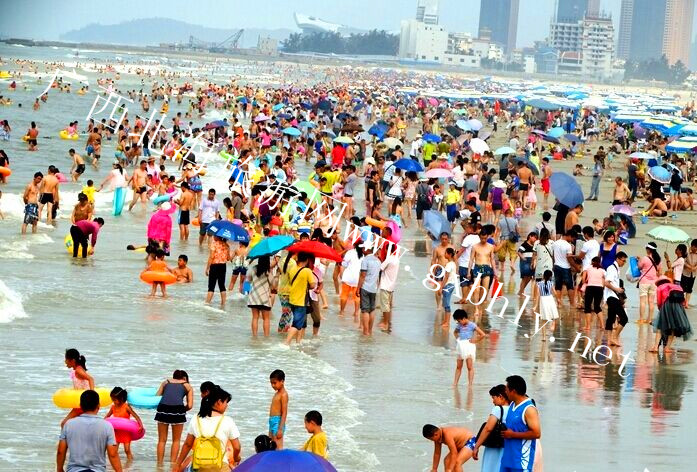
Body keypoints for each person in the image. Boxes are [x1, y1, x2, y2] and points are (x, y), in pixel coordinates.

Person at [173, 384, 242, 471]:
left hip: (199, 466)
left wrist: (178, 464)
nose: (226, 406)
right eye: (226, 402)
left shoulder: (196, 418)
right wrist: (236, 457)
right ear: (219, 402)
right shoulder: (227, 421)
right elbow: (237, 447)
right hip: (220, 466)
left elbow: (187, 444)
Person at [57, 390, 123, 472]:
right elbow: (113, 454)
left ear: (80, 405)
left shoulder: (68, 424)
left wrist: (59, 469)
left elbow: (61, 451)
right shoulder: (107, 426)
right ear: (98, 406)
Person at [500, 375, 541, 472]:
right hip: (507, 460)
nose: (505, 392)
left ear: (513, 391)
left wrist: (512, 434)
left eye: (507, 390)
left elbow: (536, 433)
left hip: (521, 462)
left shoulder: (529, 409)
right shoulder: (512, 404)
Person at [155, 370, 194, 465]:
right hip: (178, 410)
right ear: (184, 378)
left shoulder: (165, 382)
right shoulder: (187, 386)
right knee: (176, 440)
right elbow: (190, 405)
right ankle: (173, 464)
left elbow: (157, 397)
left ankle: (159, 464)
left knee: (161, 440)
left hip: (163, 409)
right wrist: (182, 410)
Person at [472, 384, 510, 472]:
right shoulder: (514, 409)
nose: (493, 401)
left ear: (500, 396)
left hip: (494, 446)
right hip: (507, 445)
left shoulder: (498, 409)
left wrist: (476, 446)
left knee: (490, 467)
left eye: (493, 398)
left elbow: (488, 428)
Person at [649, 277, 693, 353]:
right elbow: (683, 300)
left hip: (667, 305)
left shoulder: (660, 287)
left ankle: (655, 347)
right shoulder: (677, 286)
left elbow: (659, 301)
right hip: (678, 307)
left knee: (660, 327)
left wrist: (661, 310)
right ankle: (667, 348)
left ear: (659, 283)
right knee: (673, 328)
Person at [104, 387, 144, 461]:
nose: (113, 401)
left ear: (121, 399)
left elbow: (136, 416)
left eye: (115, 400)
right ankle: (114, 463)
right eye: (112, 400)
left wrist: (141, 425)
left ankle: (130, 464)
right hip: (116, 432)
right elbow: (107, 417)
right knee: (114, 451)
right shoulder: (113, 407)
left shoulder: (126, 407)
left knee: (127, 450)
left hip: (125, 432)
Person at [285, 252, 316, 345]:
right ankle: (286, 343)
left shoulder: (292, 269)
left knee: (299, 322)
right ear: (306, 260)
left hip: (292, 299)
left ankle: (298, 342)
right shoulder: (307, 271)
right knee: (297, 324)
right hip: (301, 301)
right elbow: (312, 285)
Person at [60, 348, 96, 427]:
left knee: (64, 424)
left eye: (66, 359)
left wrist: (92, 395)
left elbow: (91, 379)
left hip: (83, 404)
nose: (65, 361)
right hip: (81, 403)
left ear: (72, 360)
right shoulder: (78, 369)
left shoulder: (78, 370)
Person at [452, 309, 486, 386]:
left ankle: (470, 384)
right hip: (461, 346)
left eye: (459, 321)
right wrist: (458, 339)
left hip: (469, 346)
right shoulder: (459, 325)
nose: (458, 322)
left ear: (464, 318)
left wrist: (475, 340)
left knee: (469, 367)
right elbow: (455, 332)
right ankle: (455, 383)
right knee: (458, 366)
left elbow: (483, 334)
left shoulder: (472, 325)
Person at [604, 251, 628, 347]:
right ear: (617, 259)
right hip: (612, 296)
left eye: (625, 261)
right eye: (623, 261)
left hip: (612, 296)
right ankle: (614, 337)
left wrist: (618, 289)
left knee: (611, 318)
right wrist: (617, 289)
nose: (624, 263)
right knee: (624, 318)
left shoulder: (616, 268)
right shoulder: (612, 268)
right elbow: (606, 283)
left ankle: (609, 340)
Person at [356, 250, 382, 336]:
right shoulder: (378, 260)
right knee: (372, 310)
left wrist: (358, 288)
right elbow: (378, 276)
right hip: (374, 288)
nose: (362, 249)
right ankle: (370, 331)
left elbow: (363, 275)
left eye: (364, 248)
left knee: (365, 310)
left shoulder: (365, 260)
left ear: (367, 249)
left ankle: (365, 331)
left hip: (365, 287)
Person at [247, 255, 273, 336]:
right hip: (264, 297)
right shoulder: (268, 271)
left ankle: (254, 336)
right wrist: (277, 274)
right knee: (266, 318)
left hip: (254, 297)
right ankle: (266, 337)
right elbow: (273, 284)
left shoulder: (253, 268)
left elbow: (248, 280)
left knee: (255, 317)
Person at [638, 242, 662, 324]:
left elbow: (639, 267)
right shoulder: (659, 259)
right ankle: (649, 319)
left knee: (643, 301)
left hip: (644, 282)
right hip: (654, 282)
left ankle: (641, 319)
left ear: (649, 249)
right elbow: (660, 272)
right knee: (651, 302)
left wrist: (639, 260)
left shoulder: (645, 258)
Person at [552, 231, 577, 307]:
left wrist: (554, 264)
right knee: (570, 286)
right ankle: (572, 304)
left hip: (557, 266)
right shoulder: (568, 245)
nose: (572, 240)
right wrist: (576, 267)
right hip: (566, 268)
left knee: (558, 286)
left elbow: (553, 255)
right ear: (569, 236)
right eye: (572, 238)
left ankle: (559, 304)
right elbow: (569, 258)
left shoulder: (555, 243)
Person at [205, 235, 230, 307]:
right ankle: (223, 304)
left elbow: (211, 257)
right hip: (223, 266)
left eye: (214, 235)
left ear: (217, 236)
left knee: (211, 286)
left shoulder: (214, 244)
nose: (213, 237)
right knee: (222, 285)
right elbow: (228, 258)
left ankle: (207, 303)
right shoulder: (226, 245)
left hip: (214, 266)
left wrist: (207, 268)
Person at [582, 257, 606, 331]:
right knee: (597, 307)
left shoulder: (588, 268)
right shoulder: (603, 270)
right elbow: (605, 279)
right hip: (599, 288)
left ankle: (588, 326)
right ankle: (602, 325)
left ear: (592, 262)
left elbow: (583, 279)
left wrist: (585, 283)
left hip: (590, 287)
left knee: (587, 307)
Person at [268, 369, 288, 449]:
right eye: (271, 383)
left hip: (278, 422)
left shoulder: (284, 395)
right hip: (272, 421)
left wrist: (280, 429)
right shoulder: (277, 394)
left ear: (282, 381)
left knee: (278, 447)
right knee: (271, 446)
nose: (273, 385)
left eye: (274, 383)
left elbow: (284, 412)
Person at [536, 270, 559, 338]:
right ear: (550, 277)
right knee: (554, 314)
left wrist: (536, 305)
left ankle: (544, 337)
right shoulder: (551, 283)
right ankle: (553, 324)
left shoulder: (539, 284)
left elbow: (537, 295)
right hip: (550, 299)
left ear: (543, 275)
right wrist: (558, 299)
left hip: (543, 300)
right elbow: (555, 293)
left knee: (543, 319)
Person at [439, 248, 459, 327]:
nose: (444, 254)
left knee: (446, 304)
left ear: (449, 254)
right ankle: (445, 321)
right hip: (451, 284)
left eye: (445, 253)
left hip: (448, 285)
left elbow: (446, 277)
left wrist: (441, 287)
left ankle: (447, 322)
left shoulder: (449, 264)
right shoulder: (453, 263)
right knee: (445, 303)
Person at [683, 239, 697, 306]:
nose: (696, 249)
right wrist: (689, 266)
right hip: (685, 273)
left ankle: (687, 303)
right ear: (692, 246)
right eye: (695, 247)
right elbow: (683, 261)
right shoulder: (686, 252)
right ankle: (682, 301)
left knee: (689, 288)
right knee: (683, 287)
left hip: (693, 274)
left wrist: (695, 267)